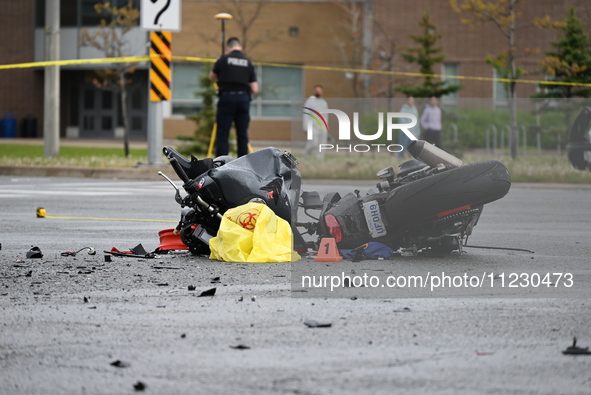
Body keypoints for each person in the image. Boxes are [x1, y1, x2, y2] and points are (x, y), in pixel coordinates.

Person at [209, 37, 258, 157]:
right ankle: (243, 162)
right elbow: (254, 89)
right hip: (243, 100)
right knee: (242, 133)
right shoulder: (248, 62)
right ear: (240, 47)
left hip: (227, 98)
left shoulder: (223, 59)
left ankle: (221, 162)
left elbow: (212, 77)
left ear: (228, 48)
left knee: (223, 133)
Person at [303, 85, 329, 158]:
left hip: (322, 127)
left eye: (320, 90)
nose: (318, 92)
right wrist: (306, 127)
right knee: (313, 143)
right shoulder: (310, 101)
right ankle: (306, 155)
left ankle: (320, 158)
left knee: (322, 144)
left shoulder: (324, 102)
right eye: (317, 90)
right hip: (313, 126)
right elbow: (306, 114)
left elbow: (325, 115)